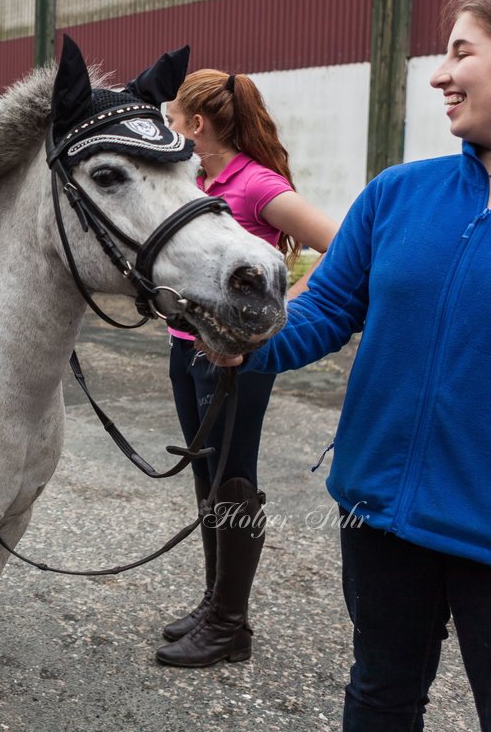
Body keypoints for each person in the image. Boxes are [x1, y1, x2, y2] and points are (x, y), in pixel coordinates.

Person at [207, 0, 491, 729]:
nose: (439, 74)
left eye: (462, 52)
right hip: (379, 516)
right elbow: (325, 309)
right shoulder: (398, 195)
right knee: (381, 694)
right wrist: (243, 342)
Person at [154, 70, 339, 668]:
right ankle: (215, 604)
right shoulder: (195, 181)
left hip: (235, 360)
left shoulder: (257, 185)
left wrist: (282, 311)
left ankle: (232, 627)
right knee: (207, 479)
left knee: (232, 479)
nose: (171, 131)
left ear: (197, 125)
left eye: (174, 122)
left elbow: (340, 247)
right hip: (186, 349)